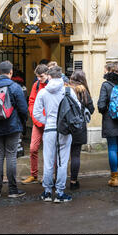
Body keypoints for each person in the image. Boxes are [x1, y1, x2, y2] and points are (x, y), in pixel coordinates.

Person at [33, 65, 80, 202]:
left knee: (48, 161)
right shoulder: (68, 91)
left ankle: (47, 192)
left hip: (49, 129)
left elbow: (36, 113)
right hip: (64, 130)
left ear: (49, 76)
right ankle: (60, 193)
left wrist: (47, 121)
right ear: (61, 76)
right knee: (62, 161)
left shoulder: (43, 92)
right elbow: (77, 109)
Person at [0, 60, 28, 198]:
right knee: (11, 155)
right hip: (12, 126)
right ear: (11, 72)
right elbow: (23, 109)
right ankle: (13, 190)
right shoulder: (15, 87)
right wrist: (22, 122)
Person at [22, 64, 49, 184]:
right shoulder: (36, 85)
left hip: (49, 124)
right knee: (33, 149)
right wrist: (34, 116)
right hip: (37, 123)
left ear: (47, 74)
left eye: (41, 76)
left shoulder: (53, 85)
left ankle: (50, 175)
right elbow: (31, 101)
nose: (39, 79)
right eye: (37, 76)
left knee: (50, 151)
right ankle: (34, 174)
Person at [69, 70, 95, 190]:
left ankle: (58, 180)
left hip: (65, 126)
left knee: (62, 156)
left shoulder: (66, 90)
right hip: (79, 127)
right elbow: (91, 108)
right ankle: (73, 181)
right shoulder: (83, 91)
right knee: (75, 155)